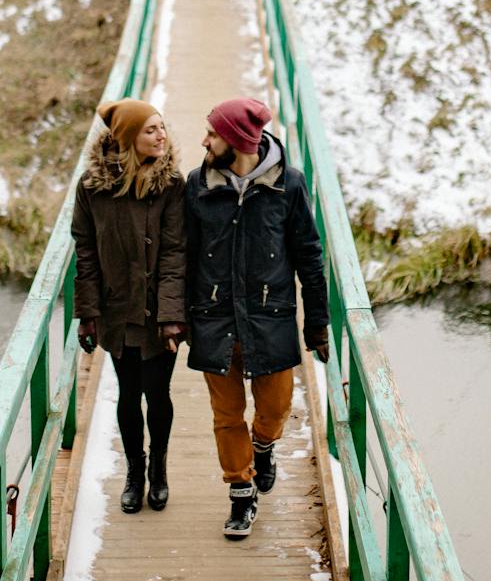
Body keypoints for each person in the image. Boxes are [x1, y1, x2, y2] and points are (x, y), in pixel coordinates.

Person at [183, 96, 330, 540]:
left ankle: (264, 446)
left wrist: (317, 323)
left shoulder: (290, 184)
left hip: (271, 316)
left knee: (275, 408)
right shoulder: (197, 185)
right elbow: (182, 256)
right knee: (226, 415)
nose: (204, 140)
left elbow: (309, 255)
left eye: (212, 133)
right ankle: (241, 495)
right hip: (214, 317)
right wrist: (174, 318)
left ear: (237, 141)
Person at [73, 99, 188, 514]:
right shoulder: (91, 187)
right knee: (127, 392)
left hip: (159, 312)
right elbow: (84, 250)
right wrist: (87, 312)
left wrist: (173, 316)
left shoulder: (172, 184)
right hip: (116, 309)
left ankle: (158, 469)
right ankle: (134, 472)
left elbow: (176, 251)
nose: (161, 136)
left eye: (162, 127)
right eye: (150, 130)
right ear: (127, 138)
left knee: (157, 394)